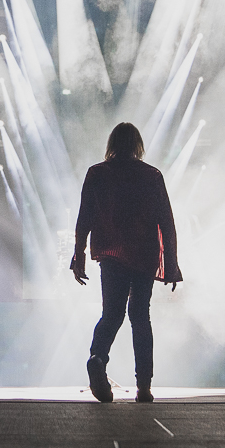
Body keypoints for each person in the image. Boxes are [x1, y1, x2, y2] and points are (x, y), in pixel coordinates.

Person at [70, 122, 182, 404]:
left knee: (112, 314)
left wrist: (79, 254)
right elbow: (166, 222)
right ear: (138, 145)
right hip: (143, 254)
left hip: (110, 253)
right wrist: (171, 262)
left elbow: (85, 217)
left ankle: (97, 359)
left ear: (111, 144)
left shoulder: (97, 174)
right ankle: (144, 387)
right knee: (140, 317)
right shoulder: (151, 175)